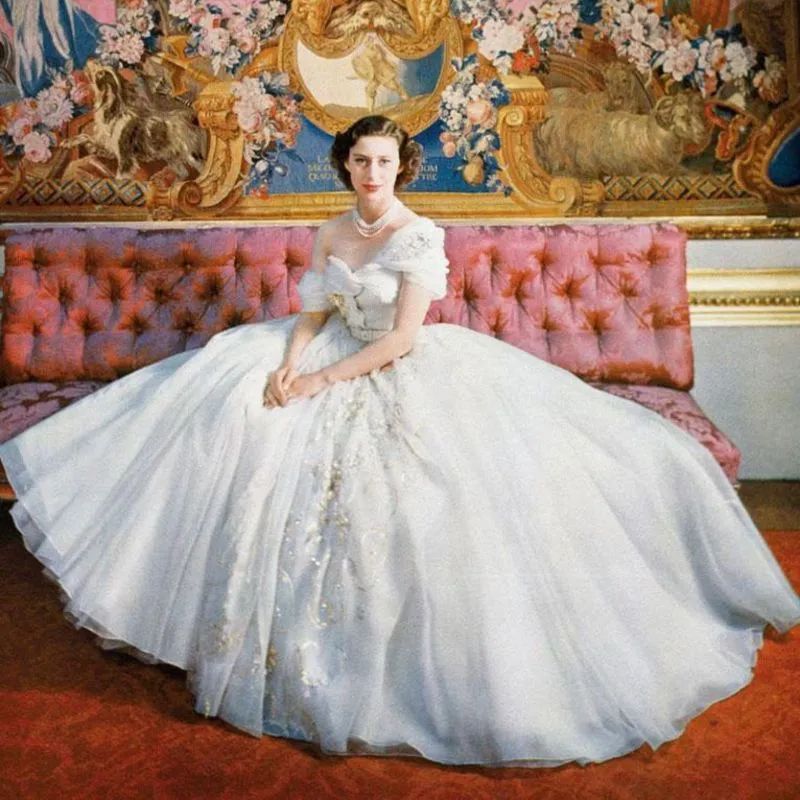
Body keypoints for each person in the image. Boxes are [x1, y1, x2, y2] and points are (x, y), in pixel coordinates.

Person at [2, 115, 798, 768]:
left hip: (396, 362)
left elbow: (403, 338)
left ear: (400, 168)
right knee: (230, 415)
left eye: (384, 162)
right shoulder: (331, 230)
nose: (372, 173)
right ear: (345, 167)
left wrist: (321, 381)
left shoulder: (418, 237)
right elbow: (314, 309)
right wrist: (288, 365)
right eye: (361, 161)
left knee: (414, 493)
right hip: (323, 348)